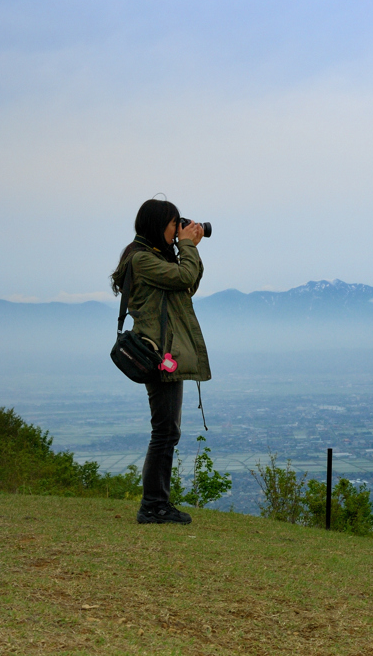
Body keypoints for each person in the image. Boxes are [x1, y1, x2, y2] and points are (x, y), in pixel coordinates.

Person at [110, 198, 210, 524]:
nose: (176, 229)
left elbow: (186, 285)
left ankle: (156, 504)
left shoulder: (151, 259)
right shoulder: (141, 260)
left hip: (166, 351)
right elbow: (183, 277)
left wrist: (185, 247)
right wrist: (186, 246)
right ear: (157, 225)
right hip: (160, 353)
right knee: (165, 432)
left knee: (167, 431)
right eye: (173, 223)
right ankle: (153, 505)